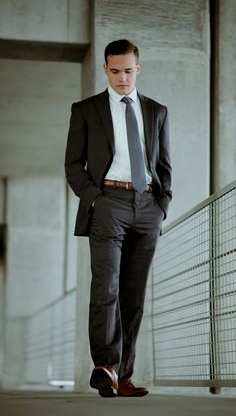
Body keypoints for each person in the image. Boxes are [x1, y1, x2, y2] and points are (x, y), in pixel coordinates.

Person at [65, 39, 172, 398]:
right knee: (105, 287)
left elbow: (163, 167)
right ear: (105, 69)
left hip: (147, 206)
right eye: (115, 71)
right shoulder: (86, 109)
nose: (122, 78)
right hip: (108, 201)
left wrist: (162, 205)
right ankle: (104, 367)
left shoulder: (157, 111)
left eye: (128, 70)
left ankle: (122, 375)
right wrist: (95, 199)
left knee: (134, 296)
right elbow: (72, 164)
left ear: (138, 68)